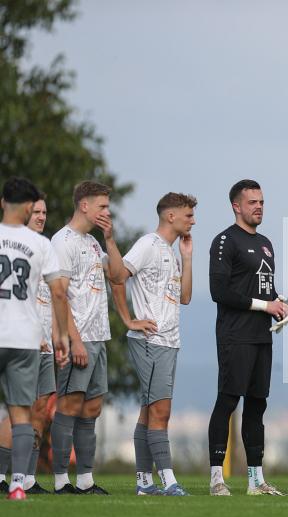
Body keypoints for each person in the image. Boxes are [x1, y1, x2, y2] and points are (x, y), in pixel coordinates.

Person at [207, 180, 288, 496]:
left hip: (261, 337)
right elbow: (220, 292)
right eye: (252, 202)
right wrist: (264, 305)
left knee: (257, 405)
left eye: (262, 202)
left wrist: (281, 305)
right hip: (234, 336)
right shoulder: (225, 241)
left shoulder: (267, 243)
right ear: (236, 206)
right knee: (227, 401)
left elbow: (264, 292)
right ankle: (217, 478)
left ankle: (256, 482)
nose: (258, 207)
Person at [111, 193, 196, 496]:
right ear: (170, 216)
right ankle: (169, 480)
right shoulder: (148, 244)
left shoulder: (171, 252)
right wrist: (129, 320)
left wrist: (186, 258)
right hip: (150, 341)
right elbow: (118, 275)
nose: (193, 221)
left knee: (149, 411)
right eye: (188, 215)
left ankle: (144, 483)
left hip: (169, 341)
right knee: (161, 411)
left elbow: (184, 297)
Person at [50, 180, 127, 495]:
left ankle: (85, 480)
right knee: (68, 405)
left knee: (92, 408)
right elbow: (60, 295)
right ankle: (59, 481)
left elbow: (119, 276)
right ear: (84, 205)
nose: (107, 211)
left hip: (100, 337)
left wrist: (109, 239)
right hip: (78, 338)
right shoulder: (62, 241)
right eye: (103, 206)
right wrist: (74, 340)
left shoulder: (94, 243)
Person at [0, 176, 70, 500]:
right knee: (22, 413)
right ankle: (17, 484)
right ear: (29, 207)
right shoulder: (41, 244)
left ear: (3, 203)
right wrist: (61, 336)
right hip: (26, 338)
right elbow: (58, 292)